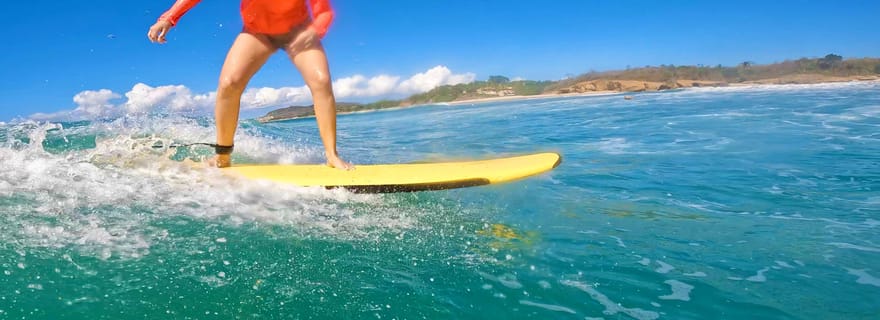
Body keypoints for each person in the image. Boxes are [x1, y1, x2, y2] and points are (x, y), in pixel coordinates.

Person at [147, 0, 354, 170]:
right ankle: (223, 156)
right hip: (257, 33)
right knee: (229, 83)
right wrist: (168, 18)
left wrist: (316, 29)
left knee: (321, 81)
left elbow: (324, 10)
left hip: (298, 31)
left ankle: (331, 156)